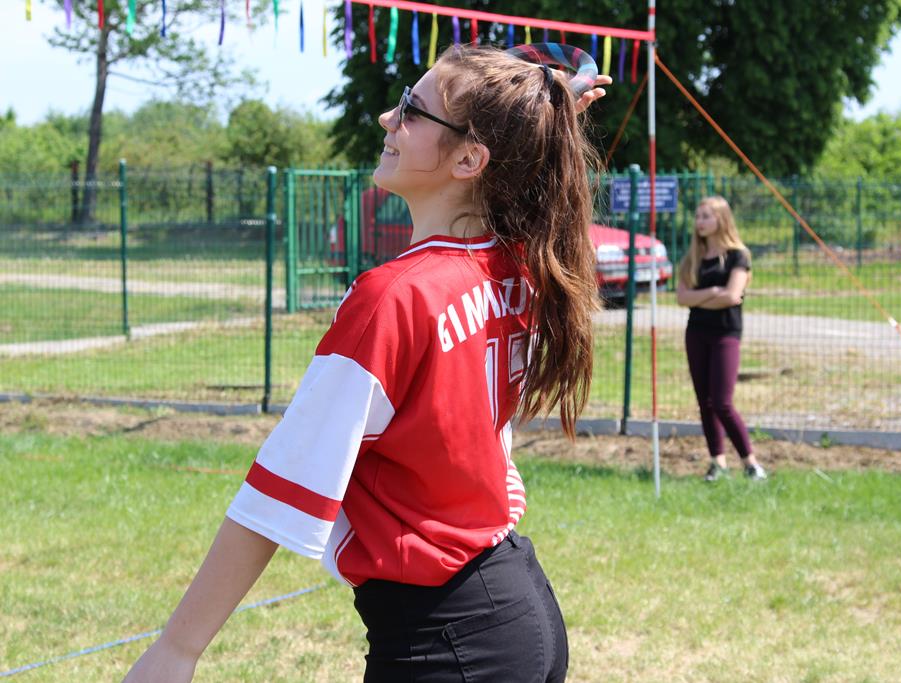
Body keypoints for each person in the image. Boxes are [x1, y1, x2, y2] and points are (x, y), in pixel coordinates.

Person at [123, 44, 612, 683]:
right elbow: (520, 171)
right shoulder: (514, 265)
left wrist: (176, 651)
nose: (388, 117)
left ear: (470, 158)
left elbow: (282, 488)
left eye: (412, 109)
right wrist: (545, 115)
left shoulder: (393, 297)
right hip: (515, 613)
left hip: (450, 642)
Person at [675, 196, 768, 482]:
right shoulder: (693, 257)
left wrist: (702, 297)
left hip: (726, 333)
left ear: (722, 219)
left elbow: (732, 296)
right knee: (704, 402)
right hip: (696, 333)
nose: (700, 222)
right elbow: (682, 297)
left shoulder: (738, 256)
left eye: (706, 216)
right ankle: (717, 463)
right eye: (698, 216)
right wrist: (713, 292)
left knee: (721, 402)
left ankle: (751, 464)